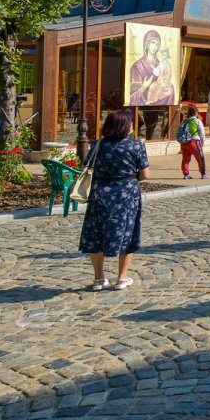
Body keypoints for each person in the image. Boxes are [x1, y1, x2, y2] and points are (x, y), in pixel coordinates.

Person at [78, 110, 148, 291]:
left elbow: (87, 165)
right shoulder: (136, 146)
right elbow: (144, 174)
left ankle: (99, 278)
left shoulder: (98, 145)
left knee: (96, 232)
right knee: (127, 231)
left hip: (99, 192)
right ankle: (122, 278)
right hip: (126, 194)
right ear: (126, 126)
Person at [178, 105, 207, 180]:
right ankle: (203, 174)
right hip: (195, 142)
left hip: (184, 143)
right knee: (200, 158)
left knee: (185, 159)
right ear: (196, 113)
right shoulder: (197, 121)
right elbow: (202, 133)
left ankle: (186, 174)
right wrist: (202, 142)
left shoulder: (184, 121)